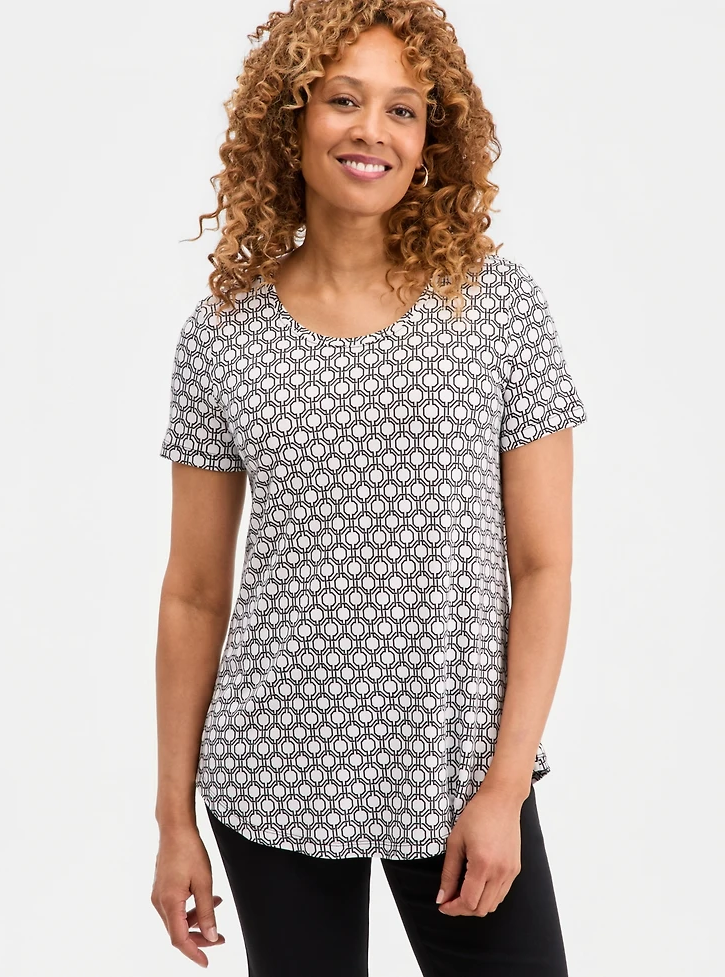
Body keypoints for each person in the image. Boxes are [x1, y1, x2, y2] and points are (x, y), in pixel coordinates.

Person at [151, 1, 588, 974]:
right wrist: (173, 819)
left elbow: (544, 567)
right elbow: (193, 592)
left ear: (431, 139)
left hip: (458, 774)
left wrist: (505, 785)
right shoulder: (223, 335)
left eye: (402, 109)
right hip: (274, 770)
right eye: (343, 99)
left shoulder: (498, 307)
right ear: (292, 114)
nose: (372, 131)